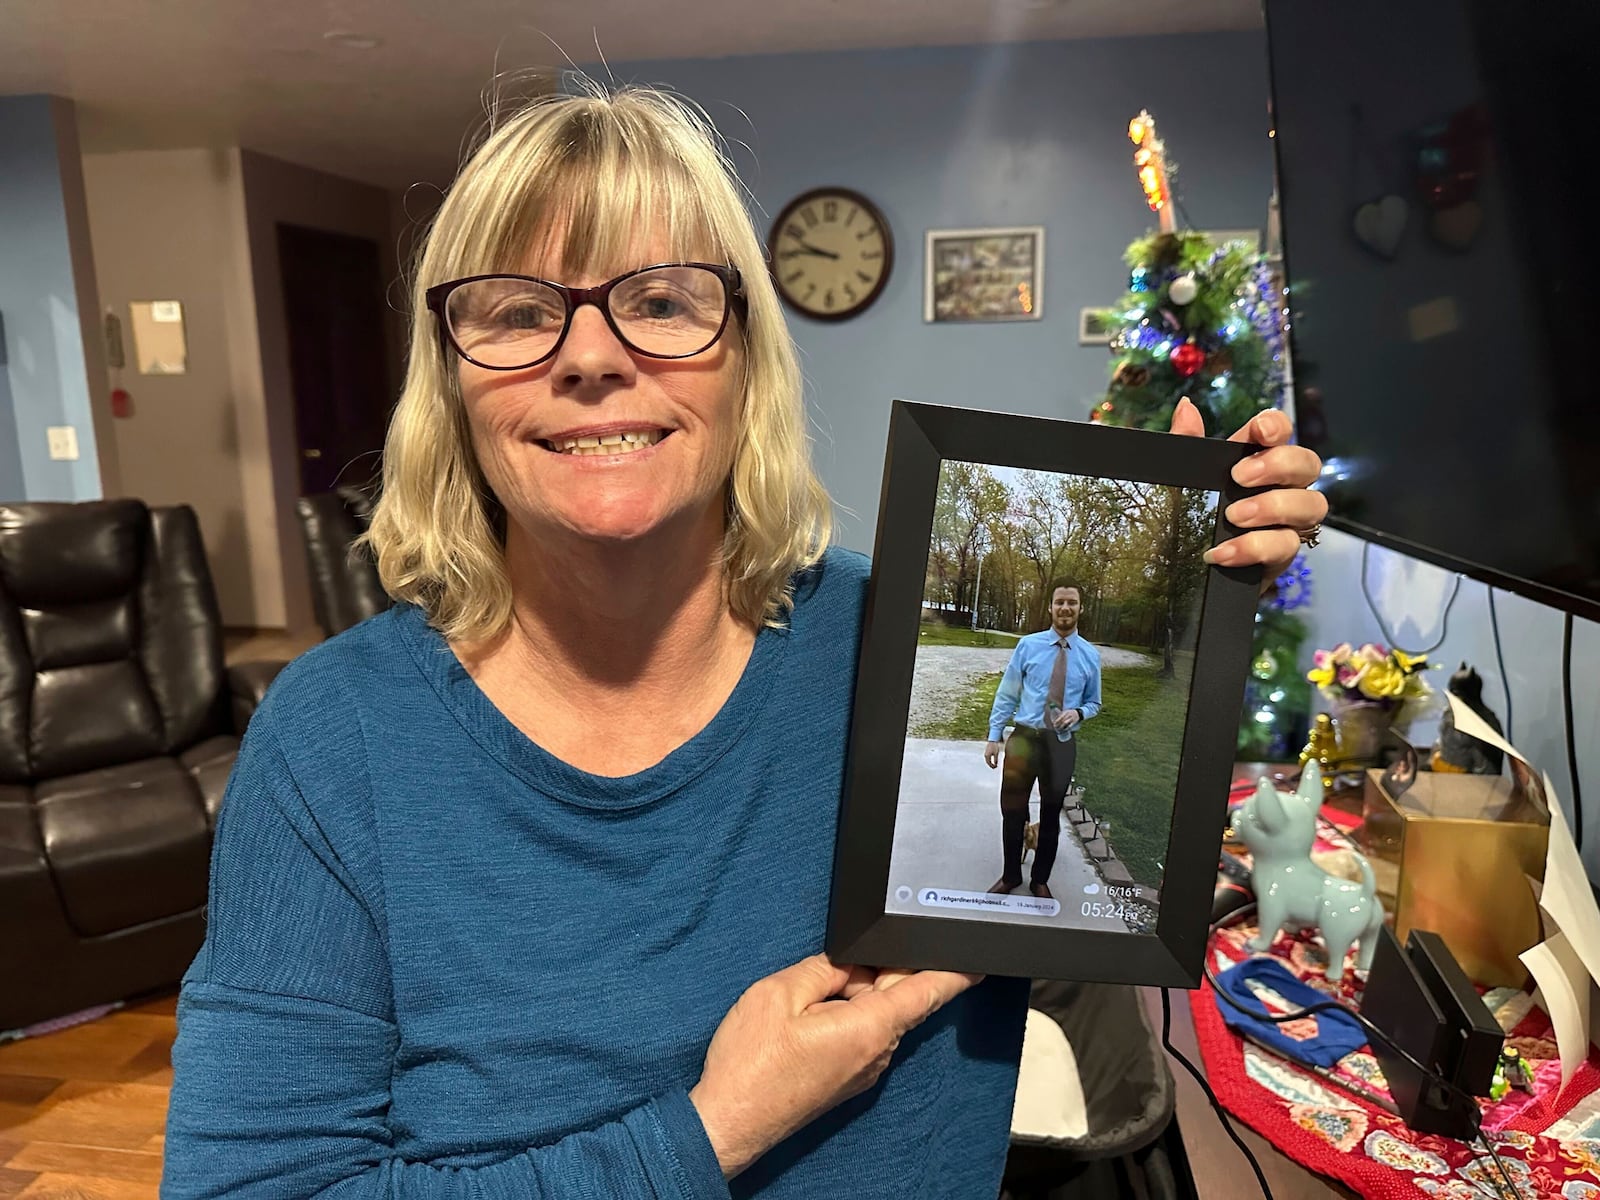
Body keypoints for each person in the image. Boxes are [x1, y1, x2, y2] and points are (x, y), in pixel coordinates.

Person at [161, 82, 1330, 1199]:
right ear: (452, 379)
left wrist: (1205, 585)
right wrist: (715, 1129)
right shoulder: (333, 743)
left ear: (746, 359)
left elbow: (1092, 887)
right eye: (517, 310)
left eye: (661, 300)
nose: (589, 354)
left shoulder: (896, 643)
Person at [983, 583, 1101, 901]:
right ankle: (1010, 875)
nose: (1065, 608)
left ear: (1080, 608)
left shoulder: (1090, 655)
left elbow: (1095, 703)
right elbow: (1007, 693)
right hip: (1024, 740)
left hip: (1060, 745)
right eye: (1060, 602)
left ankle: (1040, 879)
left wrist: (1078, 712)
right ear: (1050, 607)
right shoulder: (1028, 646)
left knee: (1051, 814)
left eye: (1072, 602)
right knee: (1012, 810)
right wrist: (995, 736)